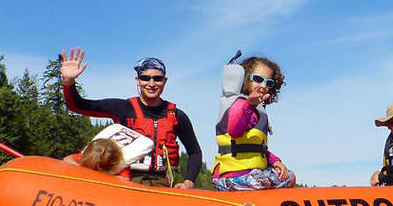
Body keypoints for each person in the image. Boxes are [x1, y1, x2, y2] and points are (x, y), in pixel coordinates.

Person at [60, 48, 202, 188]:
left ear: (164, 81)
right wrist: (68, 82)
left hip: (161, 184)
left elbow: (194, 152)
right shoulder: (122, 108)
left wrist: (188, 182)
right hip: (124, 181)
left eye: (157, 79)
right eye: (145, 78)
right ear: (138, 80)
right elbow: (78, 106)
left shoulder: (177, 115)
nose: (151, 84)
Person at [213, 55, 296, 191]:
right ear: (245, 79)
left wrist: (275, 161)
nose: (263, 86)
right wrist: (249, 105)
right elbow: (234, 131)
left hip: (254, 174)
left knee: (290, 177)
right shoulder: (238, 105)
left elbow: (258, 148)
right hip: (230, 175)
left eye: (268, 83)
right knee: (261, 181)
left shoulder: (259, 111)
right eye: (258, 79)